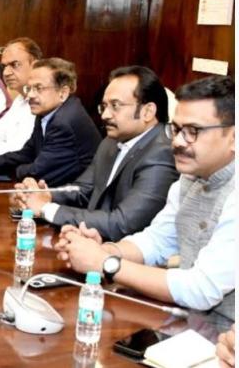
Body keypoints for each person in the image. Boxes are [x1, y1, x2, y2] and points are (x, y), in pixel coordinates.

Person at [55, 75, 235, 323]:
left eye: (193, 131)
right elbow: (157, 241)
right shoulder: (190, 178)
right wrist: (105, 250)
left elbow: (201, 289)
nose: (177, 142)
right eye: (176, 129)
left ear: (233, 137)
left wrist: (106, 263)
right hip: (190, 322)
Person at [13, 66, 178, 241]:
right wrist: (46, 195)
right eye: (104, 106)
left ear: (148, 111)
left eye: (115, 106)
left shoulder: (162, 154)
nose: (105, 115)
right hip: (90, 242)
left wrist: (46, 208)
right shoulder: (110, 142)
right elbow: (83, 190)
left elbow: (122, 223)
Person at [0, 58, 101, 186]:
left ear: (63, 93)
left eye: (39, 88)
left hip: (73, 198)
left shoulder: (64, 122)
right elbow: (26, 153)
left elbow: (38, 172)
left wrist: (15, 170)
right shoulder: (47, 113)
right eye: (29, 88)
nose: (30, 95)